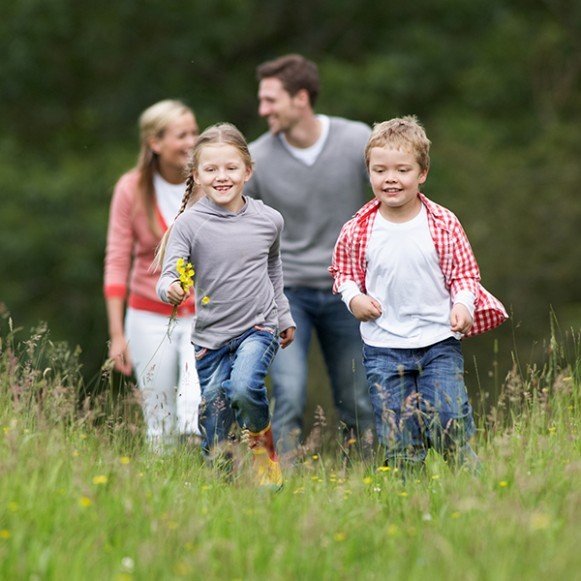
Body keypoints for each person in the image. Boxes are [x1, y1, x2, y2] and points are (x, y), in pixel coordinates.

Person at [330, 116, 508, 471]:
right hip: (383, 347)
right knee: (399, 437)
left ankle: (476, 491)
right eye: (380, 170)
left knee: (448, 420)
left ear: (422, 173)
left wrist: (463, 304)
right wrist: (354, 299)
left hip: (438, 341)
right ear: (369, 173)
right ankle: (408, 507)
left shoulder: (443, 223)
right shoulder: (358, 228)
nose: (390, 178)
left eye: (402, 170)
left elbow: (464, 274)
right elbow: (343, 273)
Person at [246, 53, 373, 455]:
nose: (262, 109)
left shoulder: (357, 141)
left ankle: (372, 480)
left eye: (271, 100)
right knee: (289, 393)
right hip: (286, 296)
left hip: (348, 291)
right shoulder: (257, 159)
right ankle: (280, 492)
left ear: (301, 98)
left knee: (359, 398)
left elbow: (393, 199)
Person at [156, 123, 296, 488]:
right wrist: (171, 287)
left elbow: (273, 267)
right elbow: (168, 275)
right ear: (197, 175)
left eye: (231, 168)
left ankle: (264, 451)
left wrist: (283, 315)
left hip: (258, 327)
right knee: (215, 417)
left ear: (247, 171)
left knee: (245, 387)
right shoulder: (188, 225)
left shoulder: (269, 220)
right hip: (210, 340)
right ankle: (220, 487)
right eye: (211, 169)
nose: (222, 177)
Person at [104, 99, 202, 451]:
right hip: (146, 315)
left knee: (195, 413)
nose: (192, 141)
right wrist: (117, 334)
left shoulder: (210, 184)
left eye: (195, 132)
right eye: (181, 135)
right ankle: (162, 490)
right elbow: (117, 260)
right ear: (155, 143)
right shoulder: (131, 188)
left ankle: (204, 486)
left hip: (203, 315)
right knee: (159, 420)